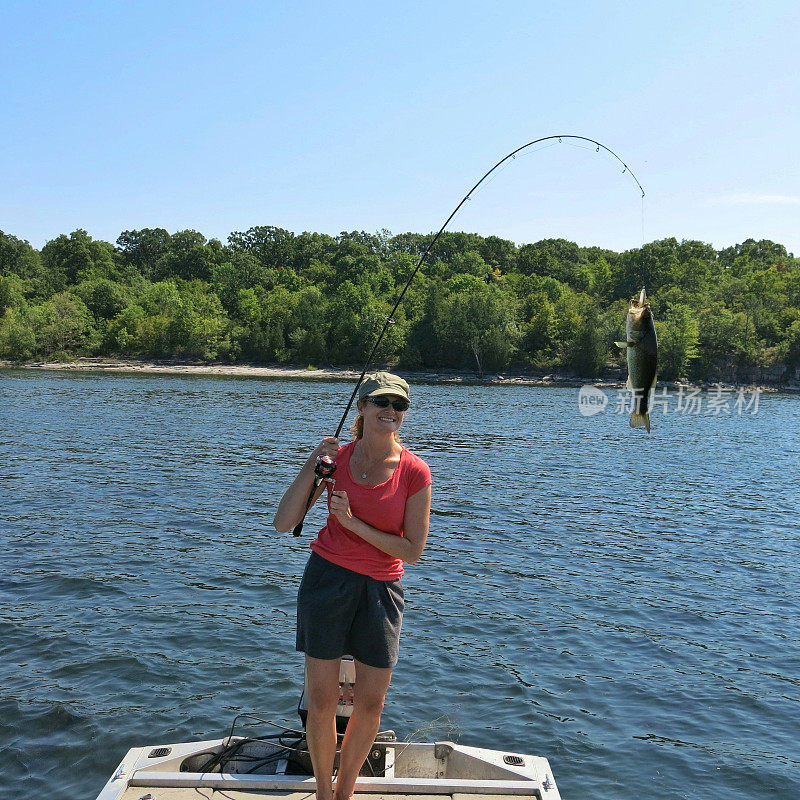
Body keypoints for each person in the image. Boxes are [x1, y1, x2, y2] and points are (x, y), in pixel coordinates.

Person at [273, 372, 432, 800]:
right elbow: (284, 522)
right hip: (326, 580)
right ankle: (324, 794)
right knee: (322, 702)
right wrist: (312, 464)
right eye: (381, 402)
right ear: (361, 407)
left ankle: (345, 792)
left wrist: (352, 524)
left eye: (400, 405)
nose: (391, 411)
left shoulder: (415, 471)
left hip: (382, 591)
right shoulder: (335, 459)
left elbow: (413, 550)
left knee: (370, 704)